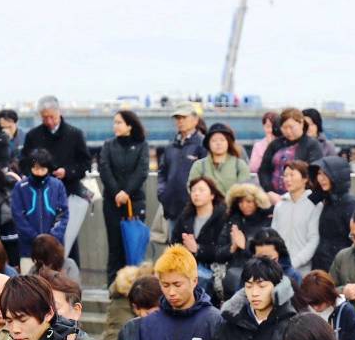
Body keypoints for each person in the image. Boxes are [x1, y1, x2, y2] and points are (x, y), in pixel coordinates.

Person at [21, 96, 92, 258]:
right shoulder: (33, 135)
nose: (49, 121)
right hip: (39, 196)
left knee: (68, 239)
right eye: (44, 117)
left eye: (51, 116)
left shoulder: (74, 134)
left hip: (68, 192)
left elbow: (85, 163)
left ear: (59, 113)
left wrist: (67, 172)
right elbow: (24, 162)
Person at [99, 109, 150, 284]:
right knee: (115, 247)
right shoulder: (108, 145)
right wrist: (117, 193)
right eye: (115, 122)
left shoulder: (141, 145)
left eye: (119, 122)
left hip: (134, 202)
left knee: (133, 246)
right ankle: (113, 287)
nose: (116, 126)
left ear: (130, 125)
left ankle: (135, 286)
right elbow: (104, 169)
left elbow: (142, 170)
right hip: (112, 203)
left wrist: (127, 192)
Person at [11, 149, 69, 267]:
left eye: (43, 169)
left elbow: (63, 214)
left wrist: (52, 238)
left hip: (54, 247)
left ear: (48, 168)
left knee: (55, 283)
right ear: (30, 168)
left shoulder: (57, 185)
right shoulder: (20, 187)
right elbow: (18, 216)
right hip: (28, 248)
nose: (39, 172)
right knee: (29, 282)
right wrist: (35, 238)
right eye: (36, 168)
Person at [156, 102, 206, 234]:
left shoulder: (203, 144)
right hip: (172, 208)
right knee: (175, 250)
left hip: (196, 208)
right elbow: (162, 172)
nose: (180, 121)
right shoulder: (171, 146)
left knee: (195, 250)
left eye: (184, 117)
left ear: (195, 120)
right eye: (177, 118)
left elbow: (207, 175)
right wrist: (163, 193)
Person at [293, 270, 355, 340]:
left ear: (329, 295)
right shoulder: (305, 313)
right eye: (312, 304)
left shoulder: (348, 314)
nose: (315, 308)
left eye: (319, 303)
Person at [169, 176, 229, 282]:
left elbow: (224, 250)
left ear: (212, 195)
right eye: (193, 190)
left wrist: (198, 249)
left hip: (214, 268)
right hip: (187, 265)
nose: (196, 194)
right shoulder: (185, 217)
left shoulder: (223, 217)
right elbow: (173, 243)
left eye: (201, 190)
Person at [214, 183, 273, 290]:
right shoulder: (233, 221)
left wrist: (244, 246)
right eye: (240, 202)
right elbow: (218, 254)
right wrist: (232, 248)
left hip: (259, 276)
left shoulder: (267, 222)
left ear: (257, 202)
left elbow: (268, 256)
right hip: (233, 274)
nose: (244, 205)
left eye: (249, 201)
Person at [258, 107, 324, 200]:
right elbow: (264, 170)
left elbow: (314, 172)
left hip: (302, 197)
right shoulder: (275, 144)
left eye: (291, 127)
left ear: (301, 123)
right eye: (284, 127)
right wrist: (269, 191)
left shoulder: (312, 145)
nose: (288, 131)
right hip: (274, 197)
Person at [308, 156, 355, 274]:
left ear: (337, 176)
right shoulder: (326, 199)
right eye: (319, 174)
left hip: (339, 266)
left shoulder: (349, 203)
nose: (321, 178)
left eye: (326, 174)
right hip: (322, 263)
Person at [269, 161, 320, 275]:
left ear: (305, 178)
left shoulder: (314, 204)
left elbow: (313, 239)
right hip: (278, 268)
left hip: (303, 270)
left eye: (292, 175)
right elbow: (273, 236)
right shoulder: (280, 204)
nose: (287, 179)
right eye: (285, 175)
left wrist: (293, 263)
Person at [188, 122, 251, 199]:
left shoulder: (239, 165)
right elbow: (191, 187)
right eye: (214, 140)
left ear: (228, 142)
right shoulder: (199, 165)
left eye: (222, 140)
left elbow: (245, 190)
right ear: (208, 144)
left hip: (232, 209)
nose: (218, 143)